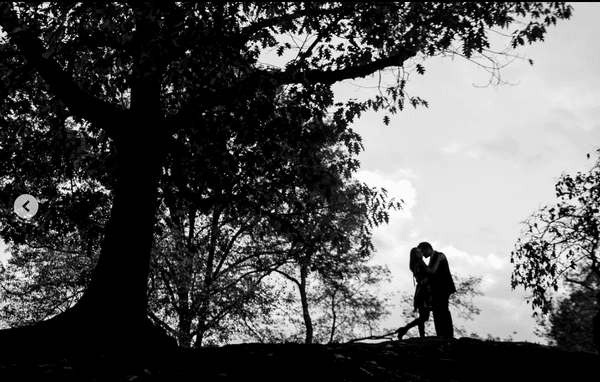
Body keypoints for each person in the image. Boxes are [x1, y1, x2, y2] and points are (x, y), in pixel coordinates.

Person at [396, 247, 438, 340]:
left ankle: (421, 336)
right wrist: (437, 262)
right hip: (424, 291)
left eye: (420, 252)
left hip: (420, 290)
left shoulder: (414, 265)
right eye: (418, 253)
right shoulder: (420, 262)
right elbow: (431, 272)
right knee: (424, 317)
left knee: (422, 316)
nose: (420, 254)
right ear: (415, 256)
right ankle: (405, 329)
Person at [417, 241, 457, 338]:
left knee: (443, 310)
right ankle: (441, 334)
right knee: (438, 311)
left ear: (427, 249)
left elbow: (436, 273)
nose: (422, 254)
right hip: (437, 289)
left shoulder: (439, 256)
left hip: (442, 288)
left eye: (423, 252)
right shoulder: (434, 258)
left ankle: (447, 334)